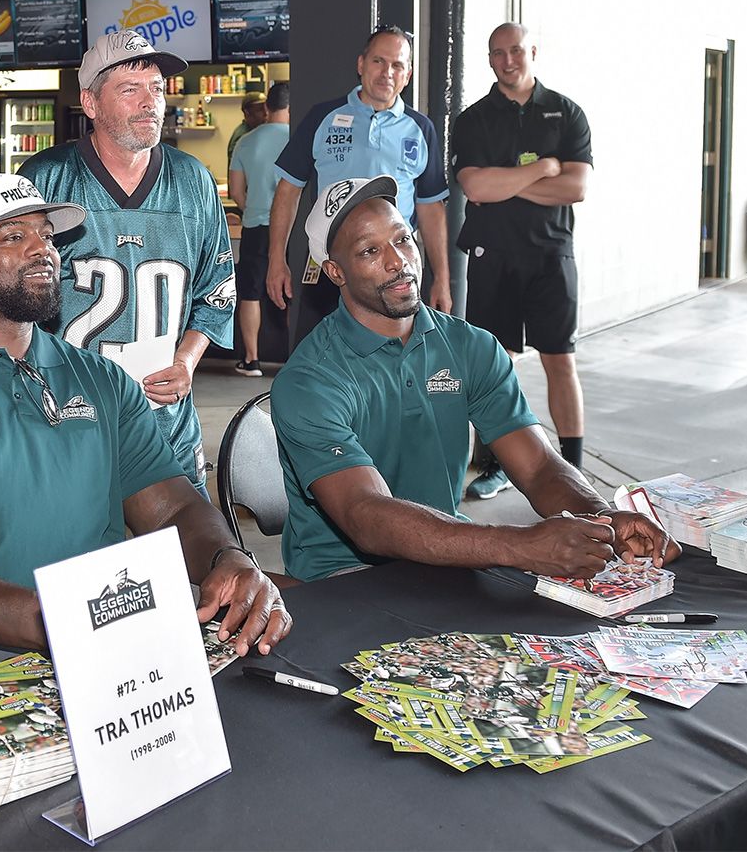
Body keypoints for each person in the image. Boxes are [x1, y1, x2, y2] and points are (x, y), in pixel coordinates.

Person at [0, 175, 290, 702]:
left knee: (260, 701)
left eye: (46, 235)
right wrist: (55, 620)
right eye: (14, 237)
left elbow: (173, 509)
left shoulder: (100, 380)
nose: (44, 249)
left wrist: (228, 558)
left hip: (93, 641)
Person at [269, 175, 678, 582]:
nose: (398, 261)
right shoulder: (310, 380)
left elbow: (537, 467)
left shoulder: (471, 347)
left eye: (402, 238)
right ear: (336, 272)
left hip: (448, 565)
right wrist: (520, 546)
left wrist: (602, 519)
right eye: (370, 251)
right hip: (342, 584)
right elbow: (366, 515)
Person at [20, 31, 236, 495]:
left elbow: (216, 290)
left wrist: (186, 361)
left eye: (157, 88)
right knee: (80, 560)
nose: (150, 103)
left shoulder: (193, 179)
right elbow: (13, 304)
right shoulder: (45, 178)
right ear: (90, 103)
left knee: (186, 554)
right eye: (130, 89)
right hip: (68, 418)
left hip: (168, 422)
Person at [450, 23, 592, 497]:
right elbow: (476, 188)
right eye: (497, 53)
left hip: (552, 255)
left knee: (560, 361)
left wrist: (507, 184)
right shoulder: (473, 119)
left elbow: (577, 188)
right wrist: (541, 169)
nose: (507, 60)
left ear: (533, 51)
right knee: (495, 365)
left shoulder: (567, 113)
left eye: (516, 51)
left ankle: (571, 467)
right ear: (489, 60)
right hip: (493, 256)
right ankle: (497, 466)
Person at [267, 24, 451, 344]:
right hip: (329, 264)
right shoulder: (322, 117)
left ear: (407, 75)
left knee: (395, 362)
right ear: (361, 64)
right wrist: (276, 260)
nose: (387, 73)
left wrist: (442, 279)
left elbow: (431, 209)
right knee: (319, 360)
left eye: (397, 65)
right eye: (379, 61)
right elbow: (287, 191)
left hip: (393, 266)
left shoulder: (421, 129)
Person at [228, 82, 290, 376]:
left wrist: (252, 206)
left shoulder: (245, 141)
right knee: (292, 292)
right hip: (291, 228)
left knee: (250, 293)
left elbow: (237, 192)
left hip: (255, 226)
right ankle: (294, 360)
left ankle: (251, 359)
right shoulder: (300, 139)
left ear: (267, 107)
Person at [226, 91, 268, 177]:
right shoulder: (242, 137)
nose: (265, 113)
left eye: (266, 109)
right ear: (247, 112)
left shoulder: (257, 132)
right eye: (260, 109)